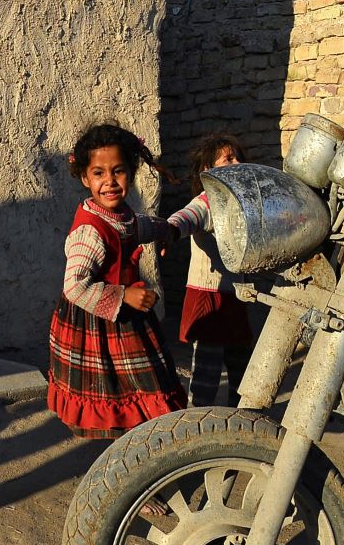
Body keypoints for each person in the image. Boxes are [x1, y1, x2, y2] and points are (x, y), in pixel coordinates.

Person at [47, 124, 185, 439]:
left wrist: (167, 230)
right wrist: (124, 296)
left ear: (132, 173)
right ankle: (131, 463)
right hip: (102, 326)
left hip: (125, 320)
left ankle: (140, 454)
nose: (109, 181)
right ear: (84, 178)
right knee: (124, 393)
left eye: (118, 171)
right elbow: (75, 286)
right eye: (98, 173)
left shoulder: (117, 215)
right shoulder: (90, 231)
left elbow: (135, 228)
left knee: (140, 390)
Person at [165, 132, 256, 407]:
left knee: (241, 364)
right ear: (208, 170)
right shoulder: (207, 201)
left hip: (236, 297)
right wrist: (169, 231)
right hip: (209, 297)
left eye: (238, 157)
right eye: (228, 158)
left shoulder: (242, 202)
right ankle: (197, 420)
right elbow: (187, 217)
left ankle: (242, 417)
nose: (237, 162)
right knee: (207, 367)